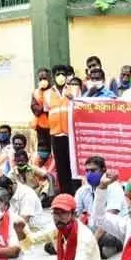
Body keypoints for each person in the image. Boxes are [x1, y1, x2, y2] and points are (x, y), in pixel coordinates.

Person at [75, 157, 126, 259]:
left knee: (108, 239)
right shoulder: (83, 190)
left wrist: (92, 241)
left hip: (111, 231)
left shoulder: (115, 188)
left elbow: (108, 220)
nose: (89, 174)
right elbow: (74, 214)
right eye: (87, 171)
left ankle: (98, 248)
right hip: (92, 229)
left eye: (93, 170)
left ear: (103, 171)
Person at [43, 64, 74, 196]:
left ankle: (74, 193)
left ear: (67, 76)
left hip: (71, 134)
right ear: (53, 77)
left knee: (72, 166)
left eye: (63, 74)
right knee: (61, 167)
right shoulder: (47, 94)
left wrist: (73, 98)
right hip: (56, 134)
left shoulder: (74, 90)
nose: (60, 76)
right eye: (57, 74)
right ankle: (64, 194)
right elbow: (46, 111)